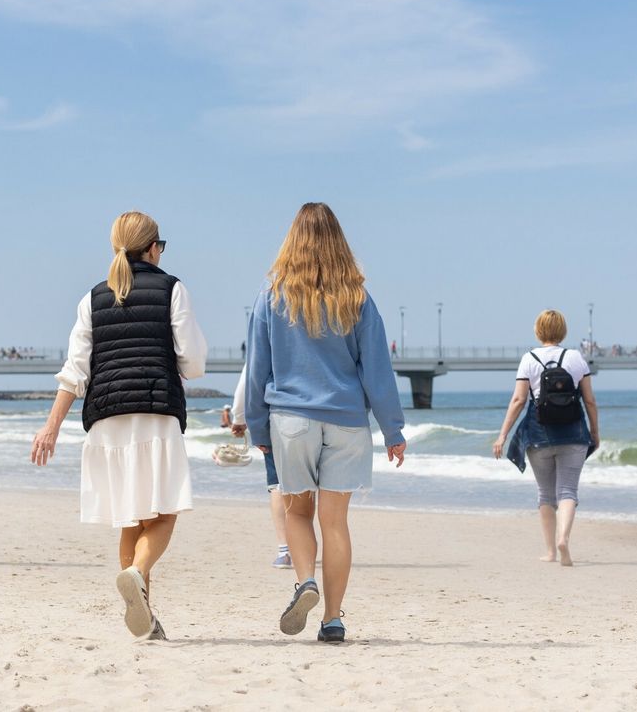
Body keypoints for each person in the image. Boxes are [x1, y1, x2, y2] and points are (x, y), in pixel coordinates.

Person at [31, 211, 207, 641]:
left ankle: (146, 620)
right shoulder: (172, 288)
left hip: (106, 420)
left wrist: (51, 427)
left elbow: (75, 371)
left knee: (132, 518)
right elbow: (194, 362)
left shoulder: (91, 298)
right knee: (164, 514)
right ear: (152, 248)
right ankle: (137, 572)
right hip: (155, 412)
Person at [245, 202, 407, 644]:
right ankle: (332, 619)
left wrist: (257, 428)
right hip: (347, 422)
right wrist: (393, 430)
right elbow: (378, 369)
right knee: (335, 523)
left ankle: (305, 582)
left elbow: (258, 368)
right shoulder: (356, 295)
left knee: (298, 512)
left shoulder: (273, 294)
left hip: (291, 419)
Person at [492, 309, 600, 567]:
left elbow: (519, 400)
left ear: (538, 331)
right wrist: (595, 431)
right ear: (563, 330)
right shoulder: (575, 358)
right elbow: (589, 400)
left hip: (538, 433)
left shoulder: (528, 359)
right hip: (573, 432)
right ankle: (564, 539)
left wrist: (503, 434)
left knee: (545, 493)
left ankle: (551, 551)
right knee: (568, 491)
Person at [227, 366, 291, 569]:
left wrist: (239, 418)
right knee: (307, 484)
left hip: (277, 417)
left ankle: (285, 550)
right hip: (319, 414)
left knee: (277, 485)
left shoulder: (269, 333)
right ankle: (305, 544)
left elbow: (251, 376)